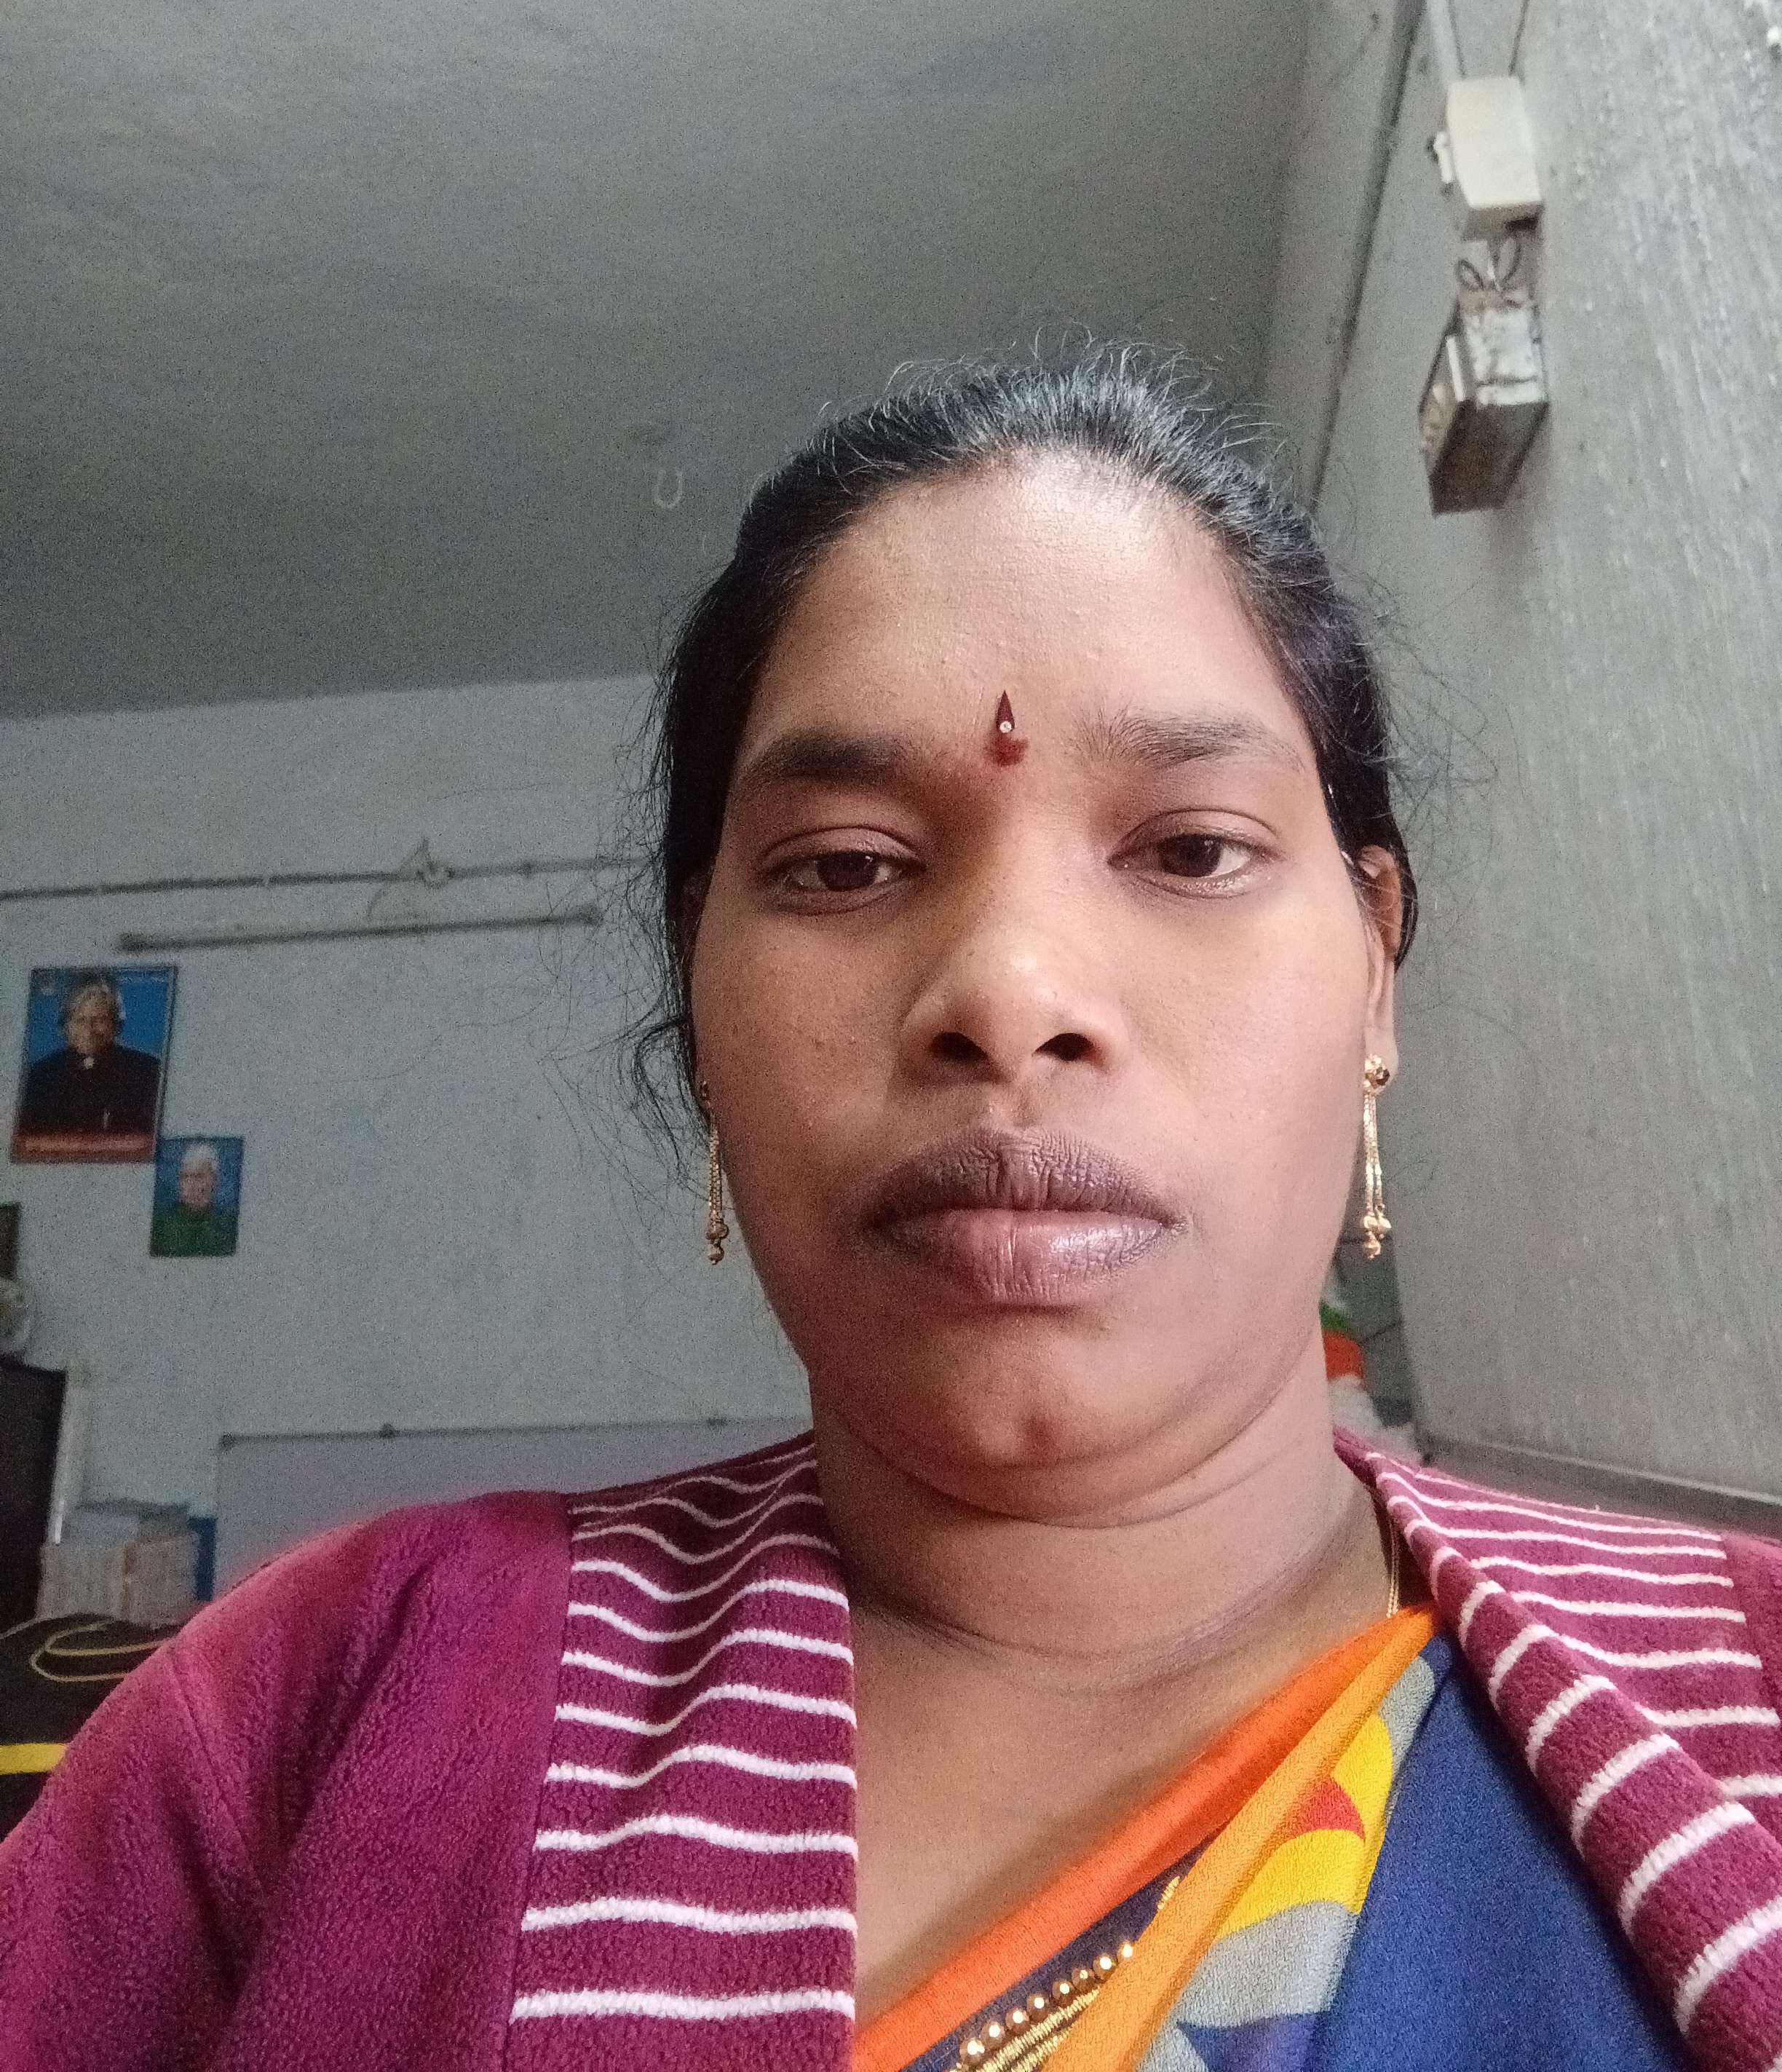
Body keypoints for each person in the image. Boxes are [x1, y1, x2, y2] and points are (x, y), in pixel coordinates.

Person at [1, 352, 1779, 2072]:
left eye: (1188, 848)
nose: (1007, 992)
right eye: (845, 864)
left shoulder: (1746, 1696)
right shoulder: (329, 1705)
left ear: (1374, 967)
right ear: (698, 993)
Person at [12, 971, 162, 1151]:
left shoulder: (149, 1071)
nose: (89, 1030)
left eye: (99, 1020)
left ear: (116, 1023)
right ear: (65, 1026)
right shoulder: (41, 1075)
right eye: (80, 1020)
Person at [148, 1141, 238, 1257]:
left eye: (199, 1177)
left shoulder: (227, 1225)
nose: (191, 1185)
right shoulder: (161, 1224)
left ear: (214, 1180)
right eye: (185, 1177)